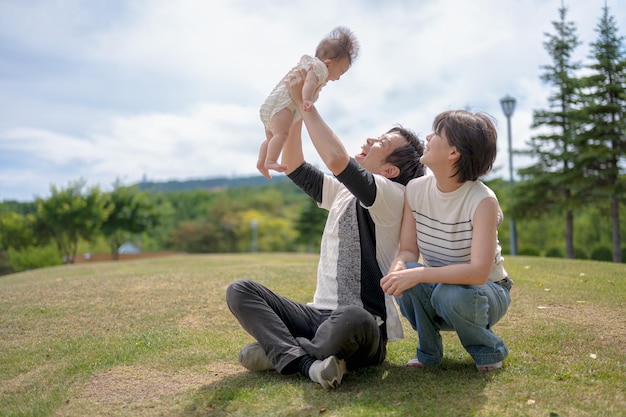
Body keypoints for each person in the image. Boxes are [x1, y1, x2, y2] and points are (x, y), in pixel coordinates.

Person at [226, 68, 425, 389]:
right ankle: (308, 362)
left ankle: (281, 352)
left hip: (363, 326)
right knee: (240, 290)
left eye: (382, 142)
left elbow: (335, 159)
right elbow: (293, 166)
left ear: (390, 169)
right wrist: (290, 116)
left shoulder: (392, 195)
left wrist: (306, 104)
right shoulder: (342, 192)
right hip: (317, 315)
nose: (370, 140)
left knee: (353, 317)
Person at [380, 109, 513, 372]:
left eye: (437, 133)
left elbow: (478, 273)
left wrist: (419, 275)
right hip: (440, 289)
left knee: (446, 291)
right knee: (406, 273)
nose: (428, 137)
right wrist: (397, 270)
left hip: (487, 293)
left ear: (454, 153)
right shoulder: (415, 190)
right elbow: (407, 250)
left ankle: (488, 351)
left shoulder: (482, 200)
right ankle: (428, 353)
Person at [257, 26, 359, 179]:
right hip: (282, 108)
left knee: (273, 138)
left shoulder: (310, 67)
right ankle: (270, 161)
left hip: (274, 109)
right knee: (282, 135)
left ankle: (261, 161)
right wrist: (306, 100)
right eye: (341, 72)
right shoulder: (318, 69)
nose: (339, 77)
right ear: (329, 63)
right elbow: (309, 83)